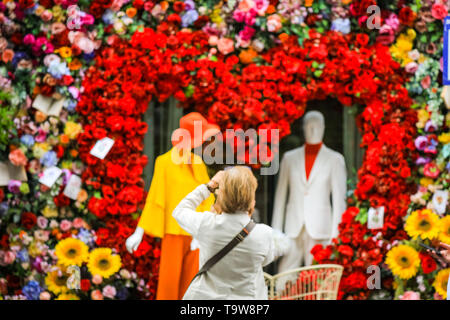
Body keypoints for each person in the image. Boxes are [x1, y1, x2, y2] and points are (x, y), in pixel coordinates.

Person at [125, 112, 220, 300]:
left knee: (193, 286)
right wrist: (139, 231)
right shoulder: (165, 163)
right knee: (169, 285)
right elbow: (156, 197)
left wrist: (204, 231)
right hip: (173, 233)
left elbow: (208, 200)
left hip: (196, 234)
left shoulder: (199, 163)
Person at [172, 166, 291, 300]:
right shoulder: (264, 233)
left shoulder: (207, 224)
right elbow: (265, 260)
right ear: (251, 197)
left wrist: (209, 186)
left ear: (221, 194)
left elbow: (179, 211)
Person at [272, 111, 347, 270]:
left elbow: (340, 200)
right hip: (292, 228)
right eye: (309, 125)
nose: (313, 129)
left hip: (321, 229)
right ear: (303, 128)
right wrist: (276, 232)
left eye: (317, 125)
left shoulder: (335, 159)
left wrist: (337, 235)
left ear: (324, 128)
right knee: (283, 277)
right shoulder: (289, 158)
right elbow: (280, 197)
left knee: (318, 278)